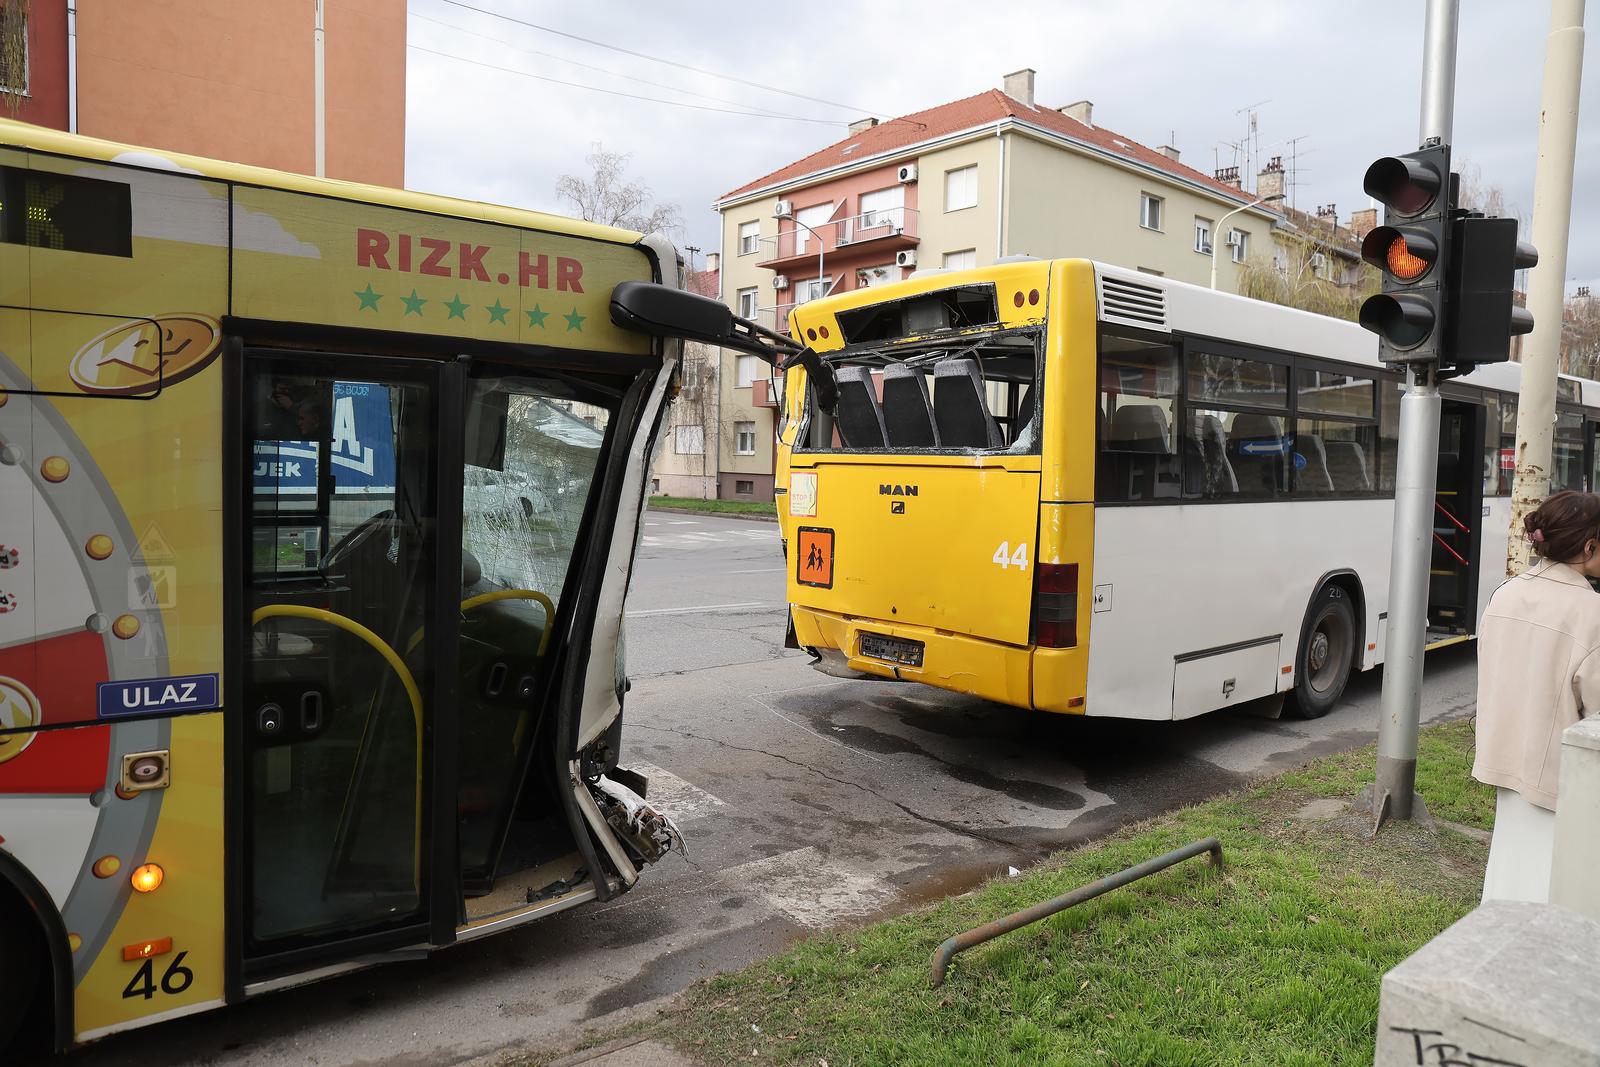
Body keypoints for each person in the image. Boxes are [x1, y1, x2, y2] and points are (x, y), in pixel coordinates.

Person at [1474, 489, 1600, 903]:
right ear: (1589, 545)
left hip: (1505, 761)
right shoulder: (1590, 613)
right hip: (1565, 780)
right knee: (1556, 890)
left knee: (1508, 879)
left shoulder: (1504, 594)